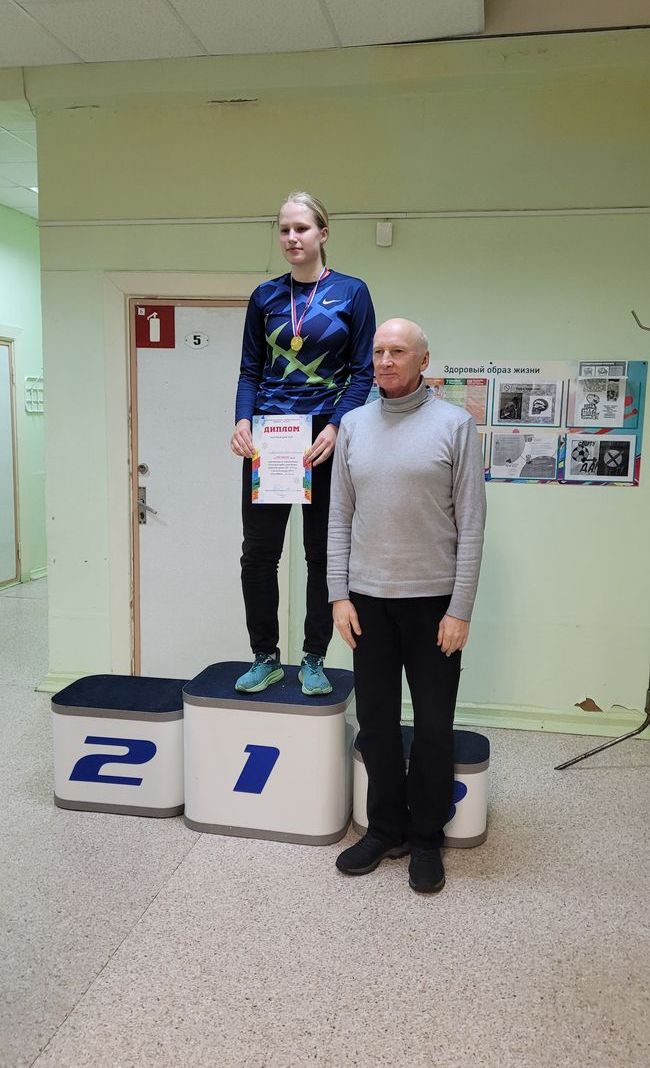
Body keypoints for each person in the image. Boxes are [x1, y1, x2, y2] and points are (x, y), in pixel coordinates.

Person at [328, 318, 486, 893]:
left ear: (423, 360)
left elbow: (472, 524)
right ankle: (385, 828)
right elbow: (338, 517)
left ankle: (425, 836)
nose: (385, 361)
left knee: (434, 727)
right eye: (378, 351)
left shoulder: (454, 425)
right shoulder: (353, 424)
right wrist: (338, 596)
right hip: (367, 603)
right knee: (375, 724)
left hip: (434, 606)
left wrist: (460, 609)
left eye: (397, 351)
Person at [231, 191, 375, 696]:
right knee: (258, 553)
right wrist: (242, 420)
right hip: (270, 437)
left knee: (322, 553)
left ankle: (314, 657)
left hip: (324, 438)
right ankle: (264, 656)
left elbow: (363, 373)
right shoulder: (265, 296)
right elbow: (250, 369)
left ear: (323, 233)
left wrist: (336, 426)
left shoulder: (352, 292)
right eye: (285, 229)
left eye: (302, 228)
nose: (292, 237)